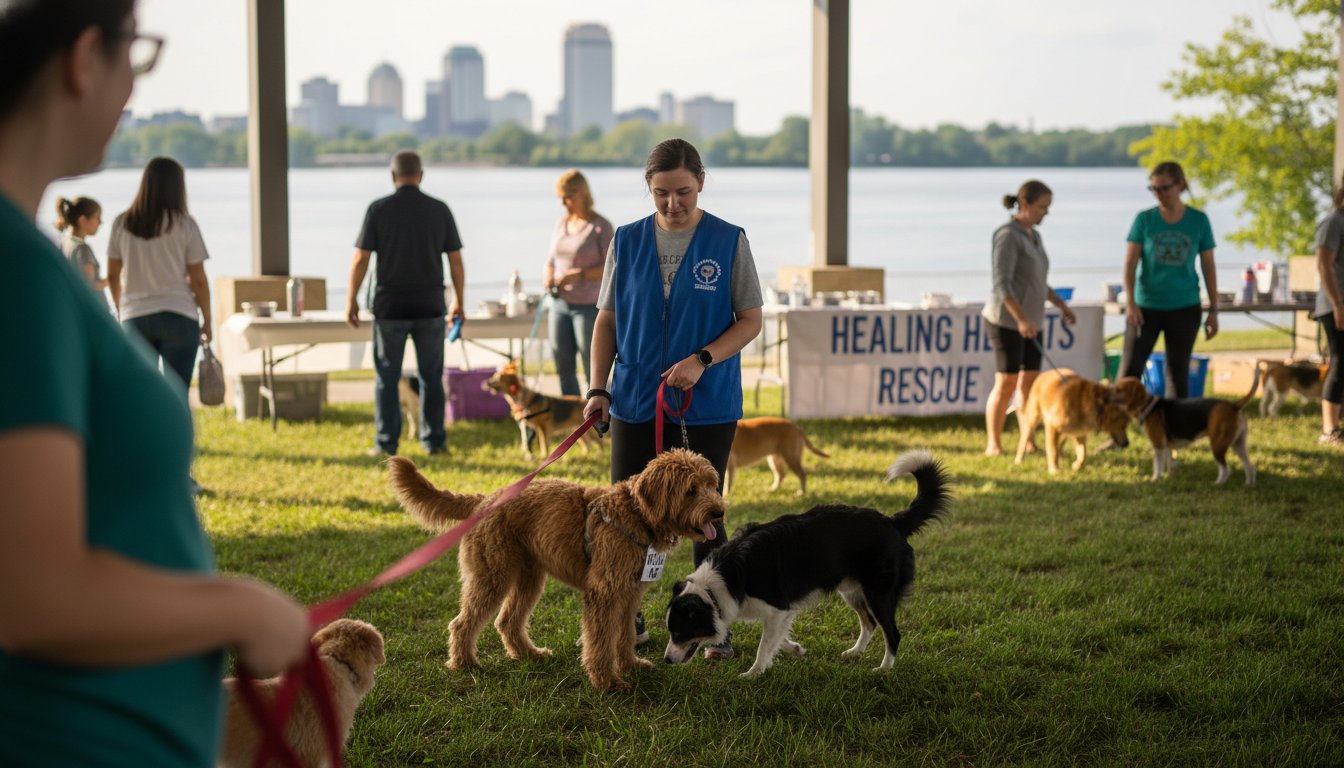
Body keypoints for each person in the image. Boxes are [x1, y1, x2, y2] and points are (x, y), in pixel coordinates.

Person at [0, 3, 310, 766]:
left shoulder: (32, 257)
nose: (133, 89)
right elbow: (33, 594)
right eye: (135, 55)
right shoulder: (17, 272)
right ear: (83, 59)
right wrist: (238, 606)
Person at [583, 138, 763, 657]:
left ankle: (716, 626)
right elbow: (607, 320)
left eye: (682, 192)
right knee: (624, 514)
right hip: (635, 399)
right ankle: (630, 618)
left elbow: (750, 320)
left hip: (705, 404)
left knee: (706, 519)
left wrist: (701, 360)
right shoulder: (627, 240)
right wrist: (598, 388)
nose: (672, 204)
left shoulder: (729, 240)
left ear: (701, 182)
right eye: (661, 193)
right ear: (649, 188)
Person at [346, 149, 464, 457]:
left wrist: (352, 300)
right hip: (430, 305)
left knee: (386, 379)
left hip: (390, 307)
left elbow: (361, 258)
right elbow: (456, 261)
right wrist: (459, 302)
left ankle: (386, 444)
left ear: (393, 176)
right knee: (431, 378)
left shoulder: (378, 209)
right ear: (421, 175)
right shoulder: (440, 209)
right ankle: (434, 442)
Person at [982, 180, 1076, 456]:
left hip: (1033, 322)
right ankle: (994, 444)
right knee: (1007, 382)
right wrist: (1021, 319)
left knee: (1030, 384)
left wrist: (1061, 305)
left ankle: (1028, 439)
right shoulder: (1007, 235)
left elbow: (1038, 281)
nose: (1045, 213)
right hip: (1007, 321)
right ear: (1024, 204)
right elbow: (1002, 284)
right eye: (1042, 207)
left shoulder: (1034, 235)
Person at [106, 156, 213, 388]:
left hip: (134, 316)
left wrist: (121, 308)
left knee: (142, 393)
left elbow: (113, 275)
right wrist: (208, 319)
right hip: (179, 314)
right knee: (178, 392)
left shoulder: (121, 223)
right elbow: (198, 281)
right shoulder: (185, 224)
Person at [1118, 161, 1219, 398]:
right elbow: (1130, 263)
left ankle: (1175, 432)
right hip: (1146, 307)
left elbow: (1208, 266)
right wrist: (1130, 303)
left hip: (1185, 306)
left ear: (1180, 185)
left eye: (1164, 188)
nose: (1159, 194)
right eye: (1154, 188)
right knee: (1129, 372)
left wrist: (1213, 309)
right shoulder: (1144, 219)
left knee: (1178, 373)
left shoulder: (1198, 220)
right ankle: (1117, 431)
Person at [544, 169, 613, 396]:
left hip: (588, 306)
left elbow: (612, 268)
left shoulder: (601, 226)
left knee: (591, 365)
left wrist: (577, 275)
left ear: (582, 193)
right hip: (560, 304)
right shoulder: (561, 224)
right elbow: (551, 258)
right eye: (560, 198)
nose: (564, 203)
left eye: (568, 196)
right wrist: (549, 275)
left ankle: (599, 416)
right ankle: (572, 418)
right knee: (563, 364)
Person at [1311, 175, 1344, 445]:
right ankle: (1329, 430)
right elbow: (1323, 265)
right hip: (1335, 304)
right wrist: (1338, 304)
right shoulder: (1334, 221)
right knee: (1339, 361)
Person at [54, 195, 111, 311]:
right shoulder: (82, 249)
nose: (100, 223)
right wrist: (112, 279)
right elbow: (88, 287)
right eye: (98, 218)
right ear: (83, 220)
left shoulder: (64, 243)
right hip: (94, 312)